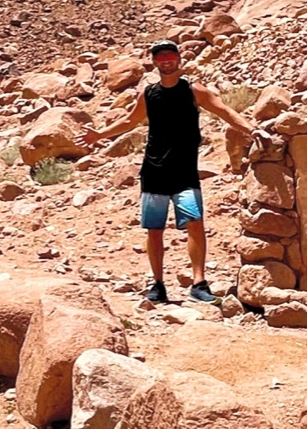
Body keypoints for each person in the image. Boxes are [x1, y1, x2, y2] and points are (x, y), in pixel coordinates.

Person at [79, 39, 258, 304]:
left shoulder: (194, 90)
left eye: (170, 56)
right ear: (154, 62)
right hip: (154, 171)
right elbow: (130, 120)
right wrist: (99, 135)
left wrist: (251, 129)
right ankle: (158, 285)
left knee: (194, 224)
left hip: (185, 171)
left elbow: (224, 110)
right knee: (154, 229)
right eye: (160, 57)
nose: (166, 60)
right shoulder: (148, 94)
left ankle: (198, 283)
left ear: (178, 59)